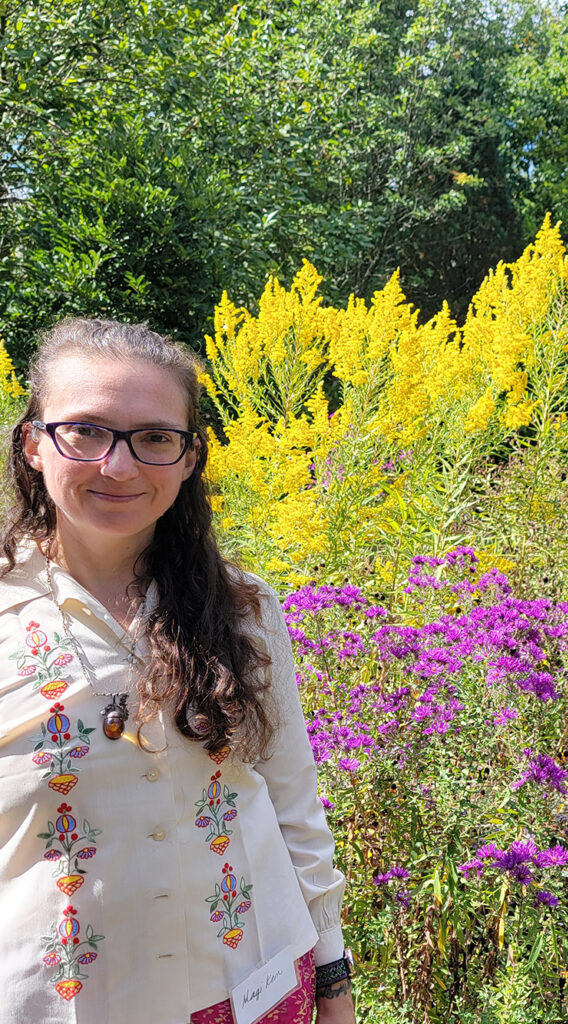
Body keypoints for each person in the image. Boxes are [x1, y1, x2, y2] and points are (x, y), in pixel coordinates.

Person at [0, 319, 356, 1024]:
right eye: (87, 431)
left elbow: (291, 804)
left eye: (155, 438)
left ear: (190, 458)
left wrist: (336, 984)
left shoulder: (243, 607)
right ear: (35, 443)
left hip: (256, 988)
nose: (120, 466)